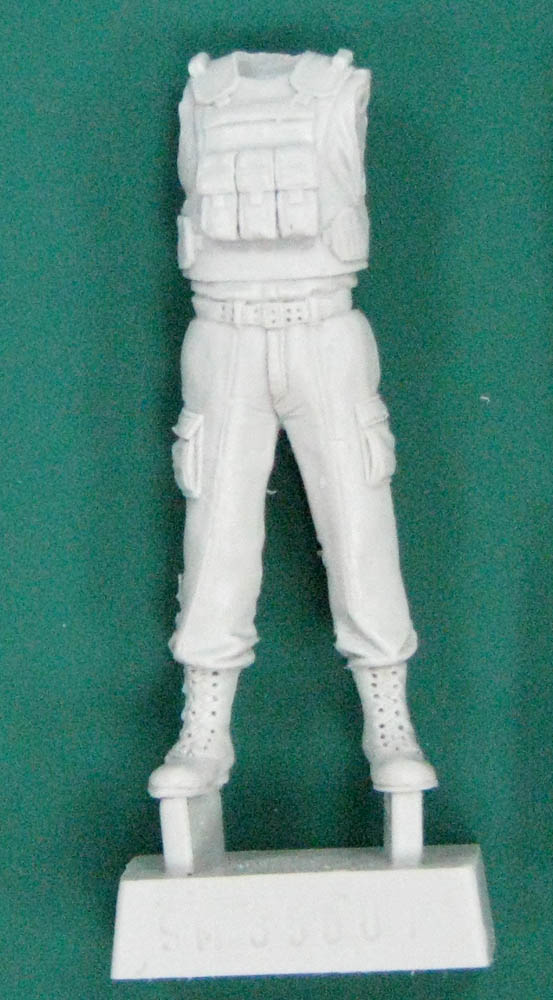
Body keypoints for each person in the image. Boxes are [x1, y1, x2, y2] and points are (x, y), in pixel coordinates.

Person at [148, 48, 437, 800]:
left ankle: (390, 722)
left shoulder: (338, 89)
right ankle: (204, 730)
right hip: (224, 332)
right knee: (215, 539)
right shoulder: (205, 96)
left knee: (360, 526)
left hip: (324, 327)